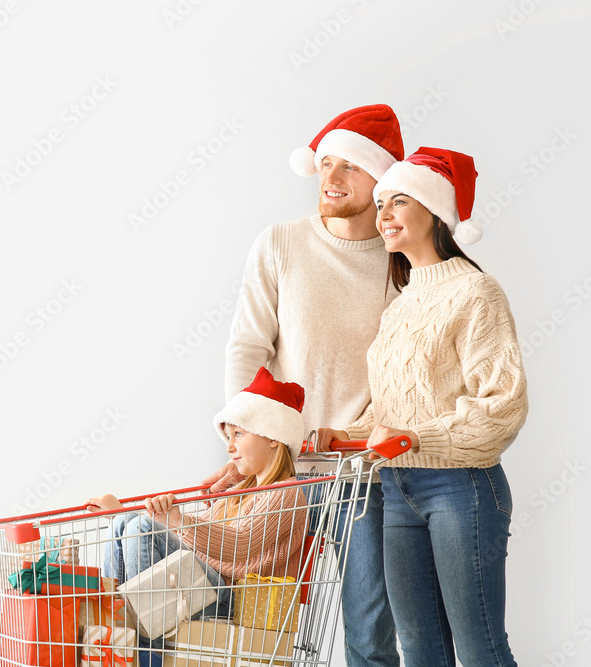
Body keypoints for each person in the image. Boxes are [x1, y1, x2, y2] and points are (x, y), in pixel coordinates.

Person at [318, 147, 527, 666]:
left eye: (399, 201)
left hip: (460, 487)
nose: (383, 214)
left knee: (480, 648)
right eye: (381, 202)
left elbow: (502, 406)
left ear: (435, 213)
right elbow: (391, 410)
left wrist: (418, 438)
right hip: (396, 486)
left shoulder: (476, 292)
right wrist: (340, 434)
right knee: (421, 650)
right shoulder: (401, 304)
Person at [211, 104, 403, 666]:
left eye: (351, 167)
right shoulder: (280, 243)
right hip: (284, 470)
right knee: (258, 630)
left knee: (367, 636)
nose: (332, 179)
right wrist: (245, 440)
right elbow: (248, 347)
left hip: (363, 477)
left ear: (383, 178)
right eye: (325, 164)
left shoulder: (404, 262)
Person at [88, 369, 308, 640]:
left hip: (238, 600)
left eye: (238, 434)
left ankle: (144, 646)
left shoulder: (287, 494)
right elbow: (193, 543)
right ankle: (118, 631)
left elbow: (241, 545)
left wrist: (178, 521)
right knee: (126, 523)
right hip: (204, 588)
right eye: (229, 437)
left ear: (273, 437)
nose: (229, 447)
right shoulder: (237, 491)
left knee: (143, 528)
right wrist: (125, 514)